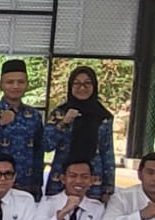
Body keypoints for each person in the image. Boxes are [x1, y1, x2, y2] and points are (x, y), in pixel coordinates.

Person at [0, 60, 45, 197]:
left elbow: (38, 152)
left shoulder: (33, 115)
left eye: (20, 82)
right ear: (0, 85)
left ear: (27, 85)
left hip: (25, 185)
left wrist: (37, 184)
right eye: (10, 82)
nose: (15, 86)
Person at [46, 66, 116, 202]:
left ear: (94, 86)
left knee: (90, 213)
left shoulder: (104, 116)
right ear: (70, 86)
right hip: (62, 178)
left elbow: (107, 153)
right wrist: (64, 123)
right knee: (58, 212)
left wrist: (108, 188)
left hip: (92, 179)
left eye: (87, 83)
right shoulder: (59, 113)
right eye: (77, 84)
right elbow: (47, 145)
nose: (82, 88)